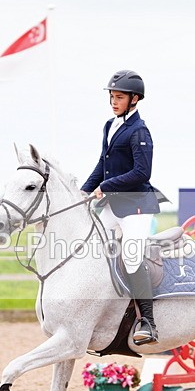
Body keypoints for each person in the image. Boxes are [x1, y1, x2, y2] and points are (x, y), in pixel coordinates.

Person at [81, 69, 162, 345]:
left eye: (119, 97)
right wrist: (83, 190)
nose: (113, 102)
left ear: (134, 99)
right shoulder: (110, 126)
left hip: (136, 206)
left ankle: (147, 322)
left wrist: (107, 186)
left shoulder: (140, 131)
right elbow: (102, 165)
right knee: (90, 248)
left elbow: (142, 172)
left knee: (130, 257)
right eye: (112, 97)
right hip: (112, 204)